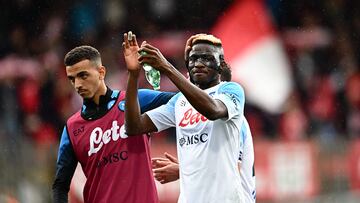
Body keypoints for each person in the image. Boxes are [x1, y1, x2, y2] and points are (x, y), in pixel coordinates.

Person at [123, 32, 247, 202]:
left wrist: (167, 67)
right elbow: (134, 127)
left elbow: (212, 110)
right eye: (193, 59)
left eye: (207, 58)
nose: (198, 64)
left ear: (221, 64)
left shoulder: (231, 90)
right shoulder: (179, 101)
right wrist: (133, 74)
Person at [52, 45, 175, 203]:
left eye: (83, 76)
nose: (77, 85)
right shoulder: (72, 127)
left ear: (101, 72)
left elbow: (185, 102)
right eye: (72, 79)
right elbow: (60, 185)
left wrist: (166, 66)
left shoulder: (137, 101)